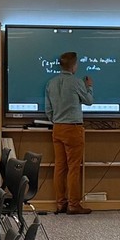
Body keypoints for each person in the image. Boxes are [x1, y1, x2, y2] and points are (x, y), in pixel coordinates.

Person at [44, 51, 94, 215]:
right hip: (73, 128)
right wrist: (89, 87)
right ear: (74, 65)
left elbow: (48, 110)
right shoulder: (77, 82)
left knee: (60, 167)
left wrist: (56, 120)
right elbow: (89, 101)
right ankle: (73, 204)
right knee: (73, 168)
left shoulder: (51, 83)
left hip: (57, 128)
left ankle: (60, 204)